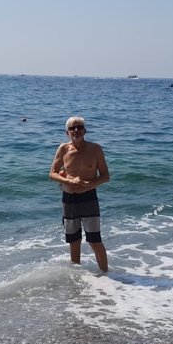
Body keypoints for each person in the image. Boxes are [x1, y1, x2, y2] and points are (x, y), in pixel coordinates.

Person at [49, 116, 110, 272]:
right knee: (74, 241)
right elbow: (52, 174)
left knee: (94, 240)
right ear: (67, 133)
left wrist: (90, 184)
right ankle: (77, 277)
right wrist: (69, 182)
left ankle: (106, 274)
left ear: (85, 130)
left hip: (89, 199)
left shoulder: (95, 149)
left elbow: (105, 176)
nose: (76, 130)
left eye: (79, 127)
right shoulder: (63, 149)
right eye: (72, 128)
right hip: (68, 200)